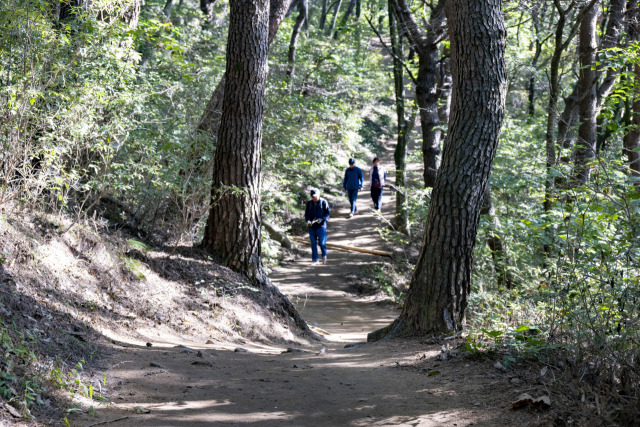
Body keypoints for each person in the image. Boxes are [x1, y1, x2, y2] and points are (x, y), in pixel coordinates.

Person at [304, 188, 331, 265]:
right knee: (313, 243)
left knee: (322, 243)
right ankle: (315, 259)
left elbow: (327, 214)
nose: (314, 198)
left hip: (321, 227)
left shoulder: (323, 202)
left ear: (318, 195)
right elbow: (306, 214)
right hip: (311, 227)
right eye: (313, 197)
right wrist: (308, 221)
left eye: (315, 196)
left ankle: (324, 256)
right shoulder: (309, 203)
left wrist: (322, 220)